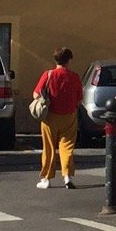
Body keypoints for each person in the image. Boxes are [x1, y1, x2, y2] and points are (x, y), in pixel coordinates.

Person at [32, 48, 83, 188]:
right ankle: (67, 176)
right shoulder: (75, 77)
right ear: (69, 60)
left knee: (48, 147)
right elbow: (79, 99)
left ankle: (46, 179)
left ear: (55, 60)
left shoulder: (48, 75)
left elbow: (36, 94)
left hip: (50, 116)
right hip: (69, 115)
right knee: (67, 147)